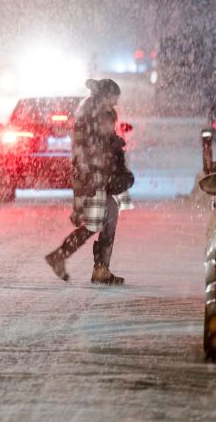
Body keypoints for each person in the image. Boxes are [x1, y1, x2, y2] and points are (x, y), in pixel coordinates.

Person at [45, 78, 133, 285]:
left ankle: (98, 268)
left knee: (107, 217)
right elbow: (81, 148)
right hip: (92, 177)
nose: (116, 103)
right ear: (105, 96)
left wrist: (115, 143)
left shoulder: (105, 113)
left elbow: (104, 141)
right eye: (114, 98)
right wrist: (86, 175)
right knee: (98, 222)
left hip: (104, 176)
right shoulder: (90, 114)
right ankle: (70, 259)